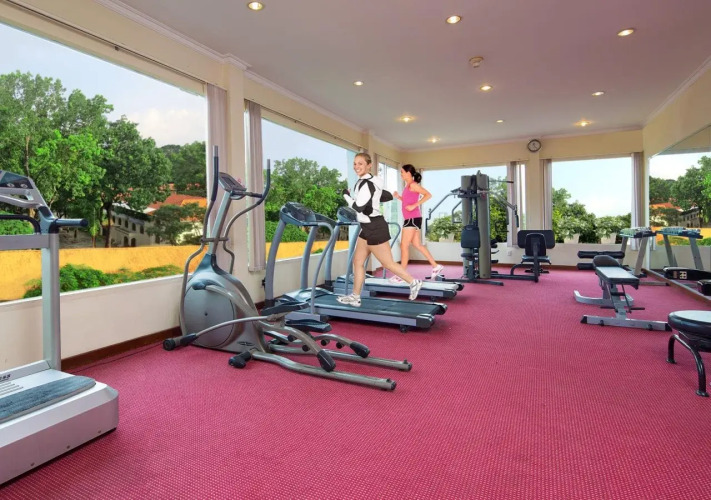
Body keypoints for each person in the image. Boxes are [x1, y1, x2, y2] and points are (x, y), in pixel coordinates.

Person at [337, 153, 423, 307]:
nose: (356, 167)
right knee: (358, 262)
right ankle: (355, 297)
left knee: (388, 263)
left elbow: (358, 207)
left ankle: (413, 282)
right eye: (355, 163)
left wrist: (345, 195)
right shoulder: (373, 180)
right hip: (367, 227)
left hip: (375, 227)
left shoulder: (366, 184)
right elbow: (386, 196)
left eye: (360, 163)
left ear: (369, 165)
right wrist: (375, 199)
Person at [392, 164, 444, 281]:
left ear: (408, 173)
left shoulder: (413, 185)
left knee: (404, 245)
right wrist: (399, 197)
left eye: (402, 172)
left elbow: (428, 195)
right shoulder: (408, 186)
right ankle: (436, 266)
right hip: (412, 218)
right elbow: (407, 201)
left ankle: (402, 275)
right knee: (417, 244)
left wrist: (414, 205)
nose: (401, 174)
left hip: (412, 218)